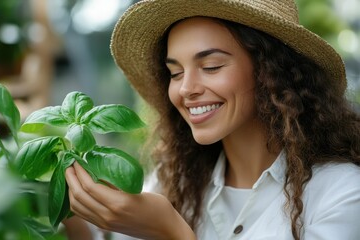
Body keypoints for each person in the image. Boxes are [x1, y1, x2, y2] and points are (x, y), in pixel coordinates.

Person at [64, 0, 360, 239]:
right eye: (175, 73)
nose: (186, 89)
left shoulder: (342, 193)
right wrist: (59, 200)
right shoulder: (175, 180)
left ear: (270, 71)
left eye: (211, 66)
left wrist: (172, 233)